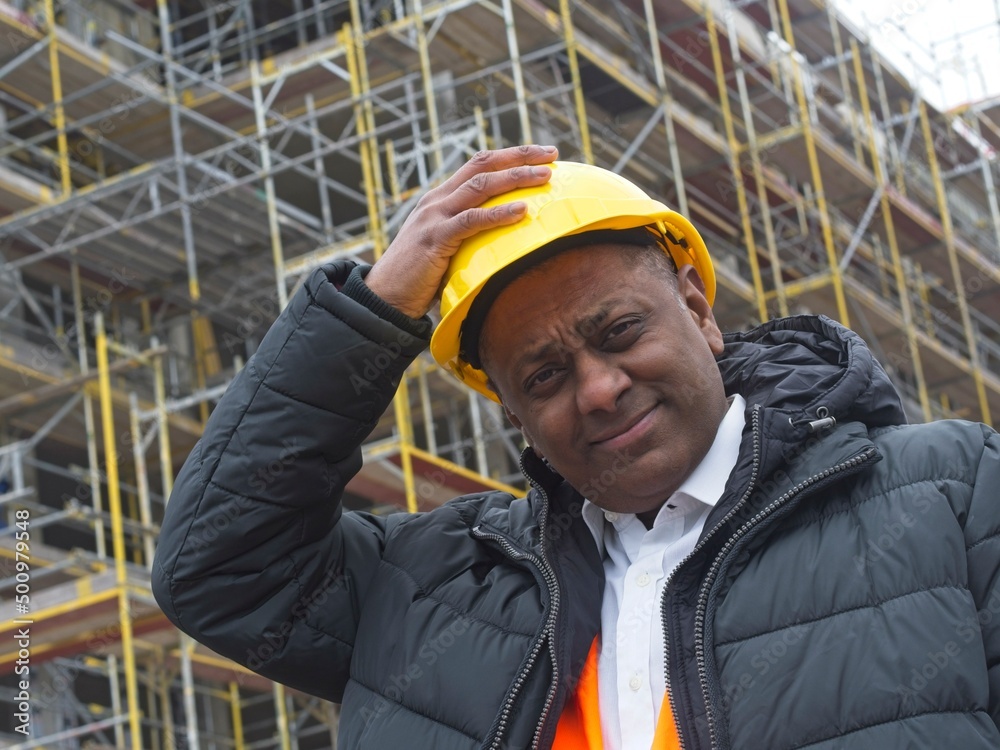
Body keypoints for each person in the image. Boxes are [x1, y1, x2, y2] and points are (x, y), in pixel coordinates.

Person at [152, 145, 1000, 749]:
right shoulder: (434, 587)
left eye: (621, 330)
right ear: (513, 412)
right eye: (546, 376)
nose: (598, 388)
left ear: (700, 312)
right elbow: (220, 567)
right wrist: (370, 314)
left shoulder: (951, 494)